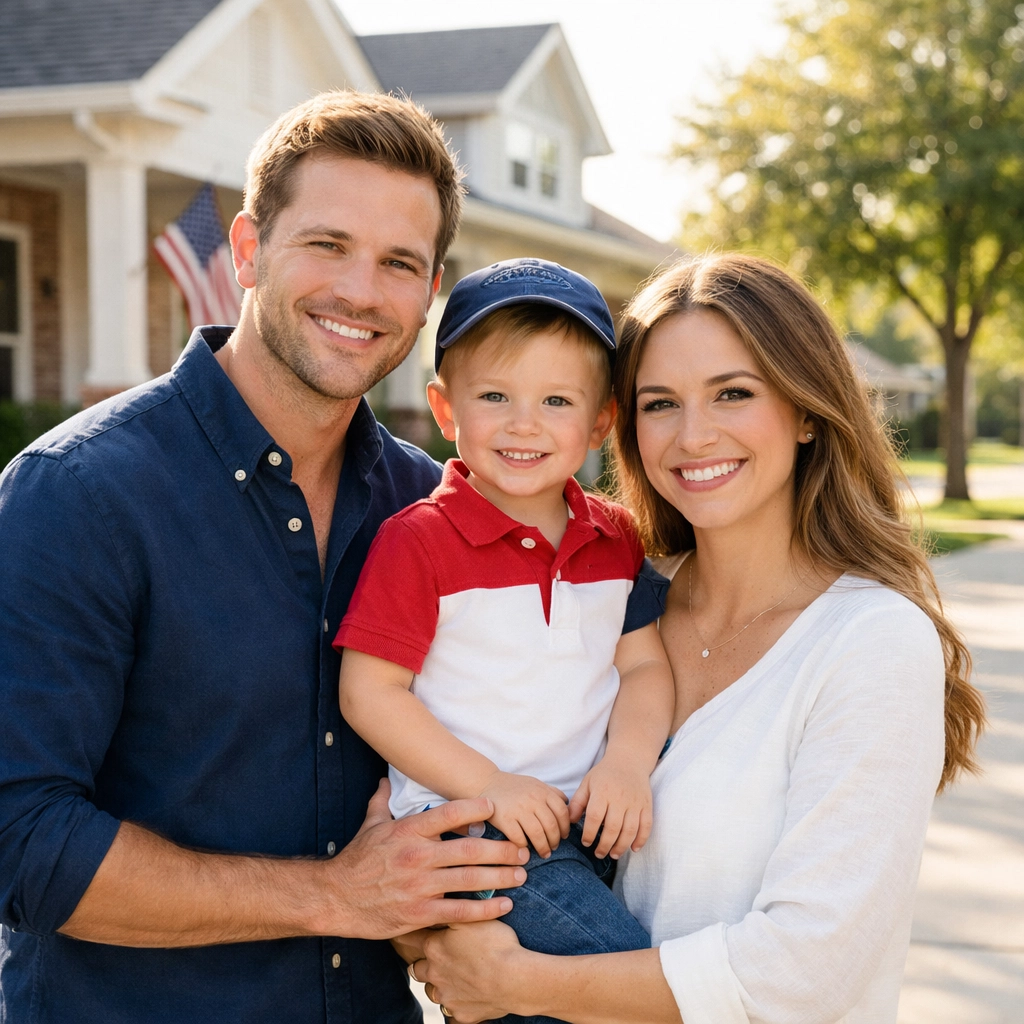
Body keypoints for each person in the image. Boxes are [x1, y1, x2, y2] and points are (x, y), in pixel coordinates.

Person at [0, 90, 531, 1024]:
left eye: (399, 263)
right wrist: (337, 895)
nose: (362, 292)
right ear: (246, 250)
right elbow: (21, 841)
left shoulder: (431, 507)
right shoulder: (77, 494)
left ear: (430, 289)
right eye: (327, 244)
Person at [402, 252, 986, 1024]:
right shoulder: (609, 607)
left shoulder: (871, 642)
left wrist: (518, 983)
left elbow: (805, 974)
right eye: (660, 403)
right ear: (625, 425)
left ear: (807, 410)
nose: (694, 435)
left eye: (733, 394)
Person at [335, 260, 674, 1024]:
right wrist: (491, 784)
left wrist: (626, 763)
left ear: (599, 424)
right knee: (625, 982)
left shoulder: (614, 537)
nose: (524, 424)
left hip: (586, 826)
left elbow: (646, 665)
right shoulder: (418, 541)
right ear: (445, 410)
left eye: (557, 400)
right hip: (475, 833)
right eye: (495, 397)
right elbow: (369, 692)